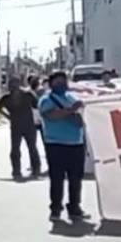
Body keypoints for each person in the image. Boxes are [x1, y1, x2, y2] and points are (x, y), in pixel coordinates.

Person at [39, 71, 89, 223]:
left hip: (76, 143)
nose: (62, 84)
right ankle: (55, 208)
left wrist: (77, 111)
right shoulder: (46, 99)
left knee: (76, 179)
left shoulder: (73, 97)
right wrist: (71, 110)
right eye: (58, 81)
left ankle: (74, 207)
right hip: (55, 145)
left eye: (64, 81)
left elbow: (82, 117)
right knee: (57, 178)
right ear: (51, 83)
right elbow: (51, 116)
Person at [0, 76, 41, 180]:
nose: (13, 87)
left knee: (31, 148)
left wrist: (37, 119)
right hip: (18, 126)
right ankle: (17, 171)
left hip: (28, 126)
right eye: (11, 85)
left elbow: (37, 106)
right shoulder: (7, 98)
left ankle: (35, 169)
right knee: (16, 149)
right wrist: (8, 116)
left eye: (15, 84)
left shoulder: (27, 95)